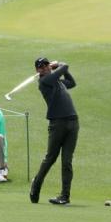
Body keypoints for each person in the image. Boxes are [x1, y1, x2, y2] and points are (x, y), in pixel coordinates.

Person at [29, 58, 79, 206]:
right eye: (41, 67)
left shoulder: (58, 82)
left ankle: (65, 196)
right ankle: (36, 184)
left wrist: (63, 68)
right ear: (37, 70)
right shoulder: (44, 82)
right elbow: (65, 66)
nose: (44, 68)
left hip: (73, 122)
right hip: (57, 123)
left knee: (67, 161)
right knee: (51, 158)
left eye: (46, 65)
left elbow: (72, 82)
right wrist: (60, 65)